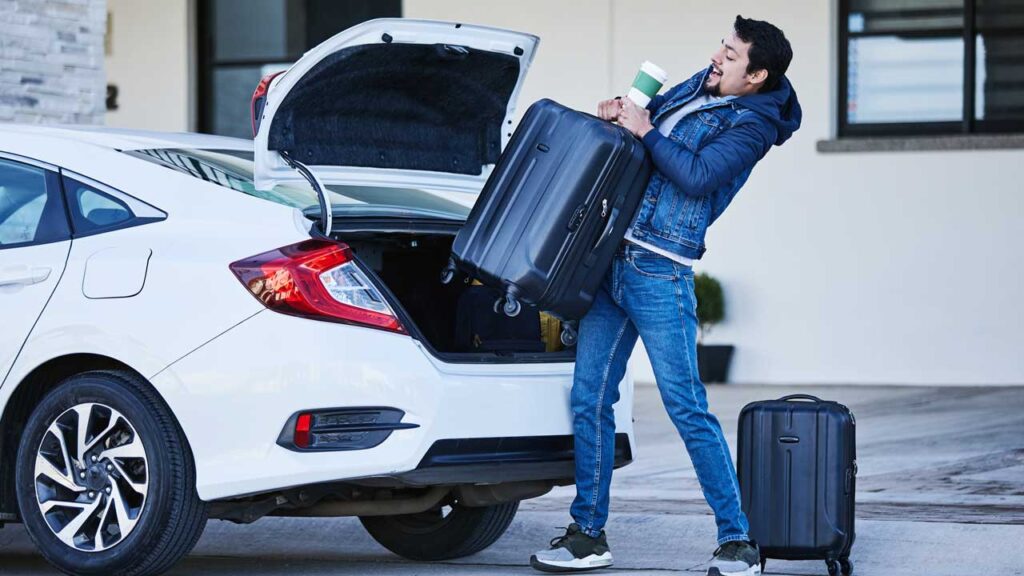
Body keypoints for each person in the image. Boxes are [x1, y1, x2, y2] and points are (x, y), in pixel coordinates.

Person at [530, 14, 802, 576]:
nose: (718, 56)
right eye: (721, 46)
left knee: (686, 407)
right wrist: (619, 117)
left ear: (756, 75)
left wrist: (645, 130)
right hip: (612, 259)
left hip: (659, 269)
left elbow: (697, 174)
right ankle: (588, 535)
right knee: (589, 399)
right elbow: (639, 144)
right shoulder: (696, 86)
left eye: (731, 54)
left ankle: (738, 542)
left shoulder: (754, 126)